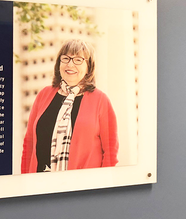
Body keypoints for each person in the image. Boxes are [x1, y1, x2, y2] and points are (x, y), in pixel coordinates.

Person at [21, 39, 118, 173]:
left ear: (89, 66)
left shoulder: (100, 100)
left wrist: (103, 187)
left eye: (78, 60)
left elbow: (110, 151)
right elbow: (29, 143)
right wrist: (26, 183)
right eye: (65, 58)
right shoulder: (44, 95)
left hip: (83, 186)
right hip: (40, 183)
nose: (70, 64)